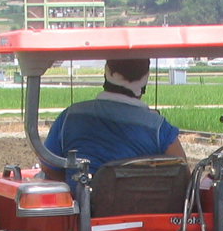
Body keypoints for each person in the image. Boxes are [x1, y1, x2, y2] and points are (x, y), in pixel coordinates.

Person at [42, 58, 186, 186]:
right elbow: (182, 174)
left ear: (107, 73)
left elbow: (49, 166)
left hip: (81, 212)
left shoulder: (70, 116)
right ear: (145, 79)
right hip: (139, 210)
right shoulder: (159, 128)